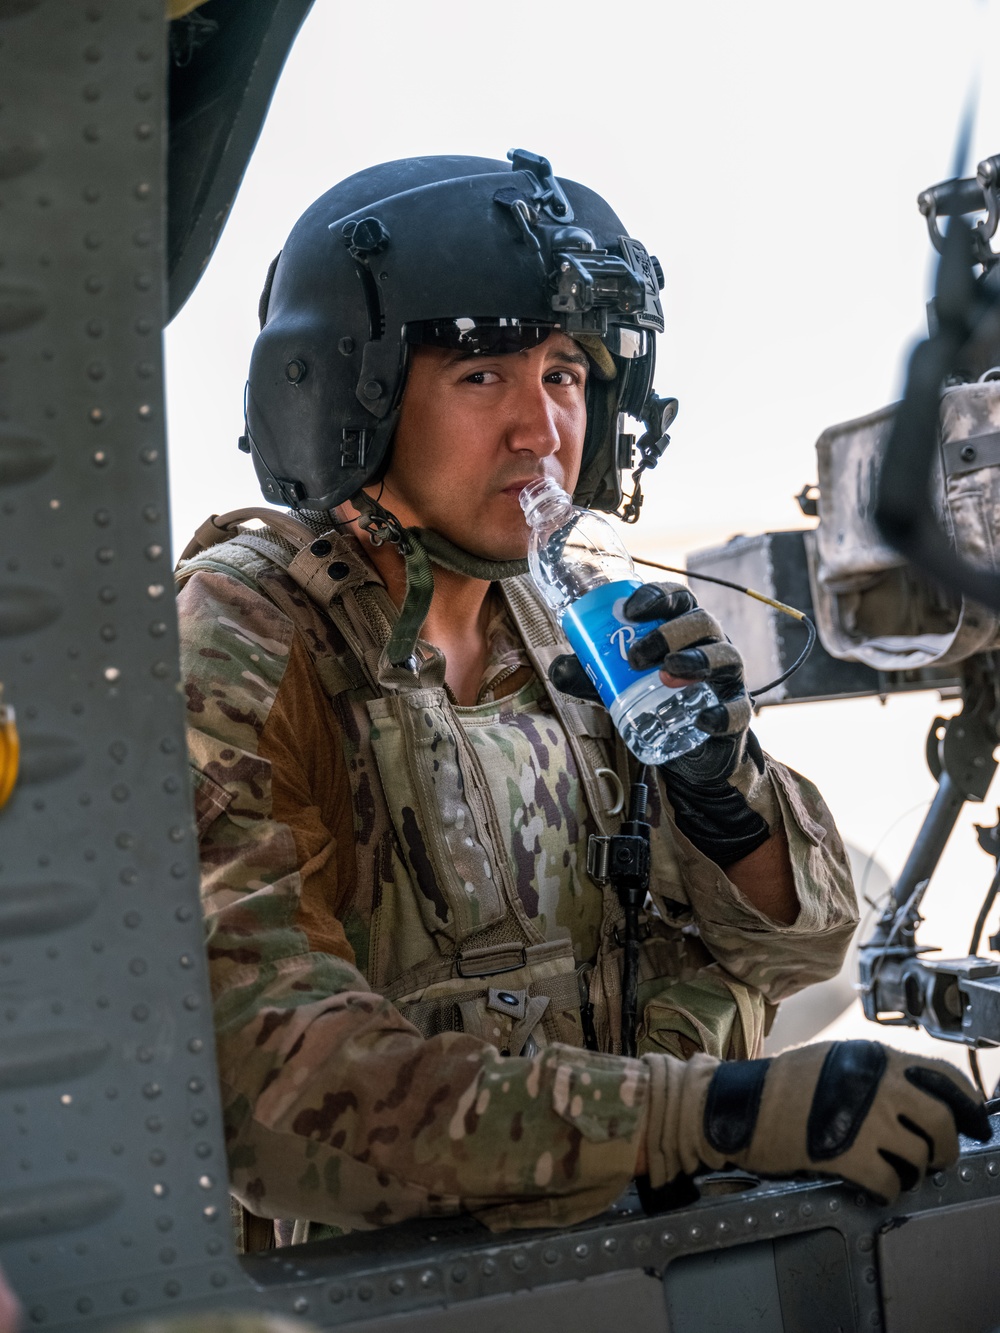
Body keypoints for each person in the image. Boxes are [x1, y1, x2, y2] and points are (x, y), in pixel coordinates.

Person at [175, 151, 988, 1244]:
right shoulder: (241, 638)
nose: (539, 427)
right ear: (344, 397)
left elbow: (799, 947)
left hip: (619, 1255)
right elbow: (276, 1094)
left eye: (562, 374)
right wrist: (706, 1115)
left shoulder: (580, 633)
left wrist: (719, 792)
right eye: (481, 376)